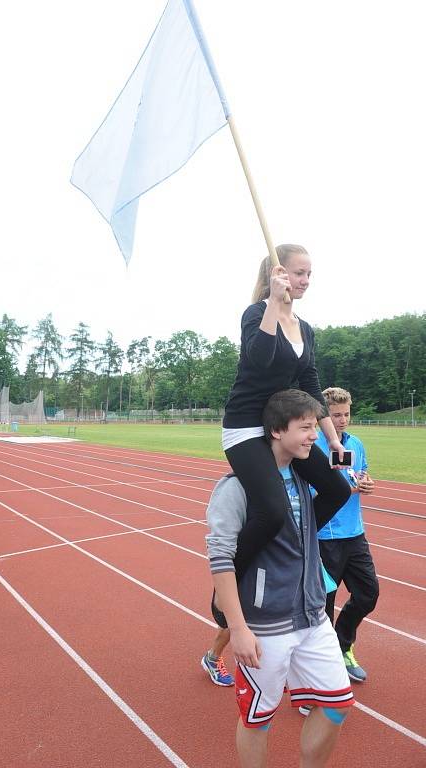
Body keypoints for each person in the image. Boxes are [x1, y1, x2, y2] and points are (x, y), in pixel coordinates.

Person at [206, 390, 353, 768]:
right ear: (275, 430)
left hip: (313, 615)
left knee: (337, 704)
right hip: (267, 623)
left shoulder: (306, 478)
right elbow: (220, 558)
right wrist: (237, 629)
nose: (313, 435)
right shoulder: (237, 486)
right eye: (305, 428)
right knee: (258, 719)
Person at [221, 245, 350, 583]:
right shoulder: (255, 313)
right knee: (272, 512)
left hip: (282, 428)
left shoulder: (305, 328)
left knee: (337, 490)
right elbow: (259, 358)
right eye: (299, 273)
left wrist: (333, 439)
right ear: (277, 274)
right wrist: (273, 305)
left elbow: (310, 382)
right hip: (247, 427)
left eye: (309, 274)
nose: (305, 280)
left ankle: (290, 543)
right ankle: (229, 581)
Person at [315, 387, 378, 683]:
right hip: (325, 537)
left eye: (346, 414)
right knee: (324, 605)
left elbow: (361, 472)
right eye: (336, 415)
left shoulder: (357, 444)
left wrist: (366, 482)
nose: (342, 420)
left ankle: (343, 646)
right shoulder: (314, 446)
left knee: (368, 594)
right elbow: (310, 491)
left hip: (355, 534)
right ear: (323, 416)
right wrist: (344, 489)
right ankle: (324, 666)